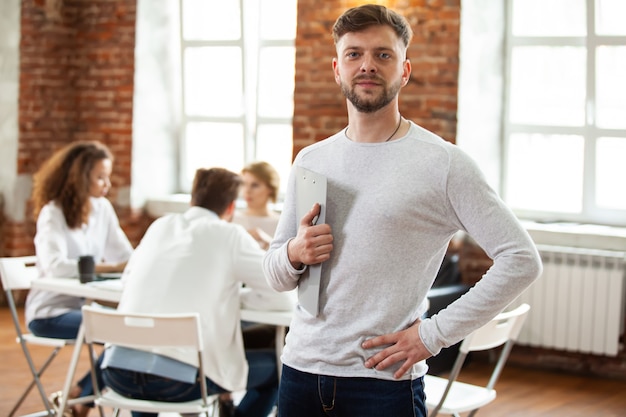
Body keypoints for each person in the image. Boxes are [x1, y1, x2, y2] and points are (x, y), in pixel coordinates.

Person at [262, 4, 543, 417]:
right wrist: (293, 253)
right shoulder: (311, 160)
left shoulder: (443, 163)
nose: (367, 66)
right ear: (337, 69)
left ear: (404, 70)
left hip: (383, 383)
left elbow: (521, 260)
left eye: (383, 55)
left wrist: (433, 336)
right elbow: (274, 274)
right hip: (301, 371)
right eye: (354, 54)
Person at [97, 167, 295, 417]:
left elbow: (127, 283)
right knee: (280, 369)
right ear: (231, 208)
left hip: (115, 373)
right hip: (178, 383)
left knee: (149, 370)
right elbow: (281, 296)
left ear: (192, 200)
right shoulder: (230, 234)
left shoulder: (160, 225)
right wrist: (228, 298)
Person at [25, 140, 133, 417]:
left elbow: (125, 255)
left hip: (84, 310)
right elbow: (56, 267)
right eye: (99, 177)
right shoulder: (53, 213)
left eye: (107, 176)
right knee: (123, 333)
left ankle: (80, 396)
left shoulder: (102, 209)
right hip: (50, 312)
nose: (106, 184)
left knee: (132, 330)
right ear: (79, 177)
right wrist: (109, 268)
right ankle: (83, 398)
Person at [232, 161, 281, 250]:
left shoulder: (281, 223)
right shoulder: (233, 219)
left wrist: (268, 242)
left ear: (270, 188)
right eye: (244, 184)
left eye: (254, 185)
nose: (247, 191)